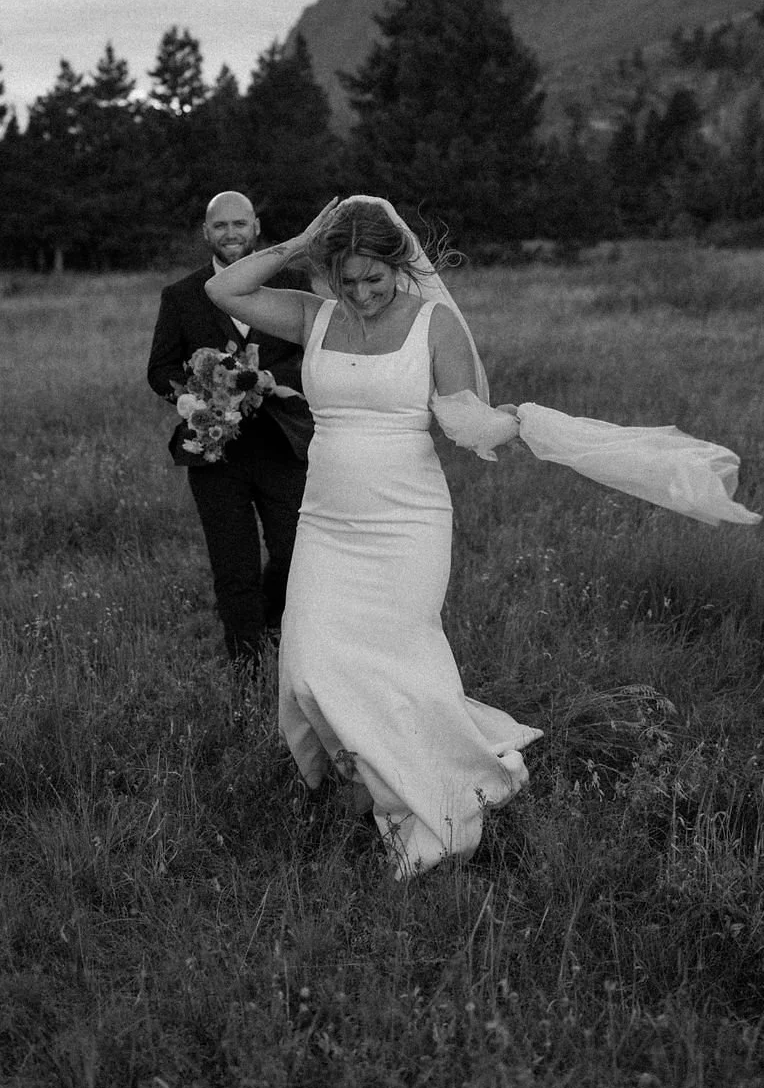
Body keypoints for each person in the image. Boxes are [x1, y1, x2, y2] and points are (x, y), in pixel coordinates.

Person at [205, 194, 541, 876]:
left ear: (399, 267)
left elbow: (462, 419)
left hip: (406, 522)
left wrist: (503, 422)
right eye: (347, 278)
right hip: (328, 523)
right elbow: (223, 286)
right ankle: (368, 779)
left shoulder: (433, 322)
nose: (359, 293)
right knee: (308, 664)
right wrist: (301, 240)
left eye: (374, 279)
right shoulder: (313, 315)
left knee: (401, 664)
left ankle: (425, 788)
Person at [147, 190, 314, 668]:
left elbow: (310, 359)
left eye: (239, 224)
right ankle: (245, 665)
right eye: (220, 226)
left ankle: (274, 630)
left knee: (293, 553)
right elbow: (159, 368)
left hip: (284, 444)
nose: (231, 233)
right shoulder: (181, 295)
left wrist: (271, 383)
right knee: (232, 563)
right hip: (215, 450)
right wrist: (184, 396)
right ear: (206, 233)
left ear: (256, 227)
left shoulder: (292, 285)